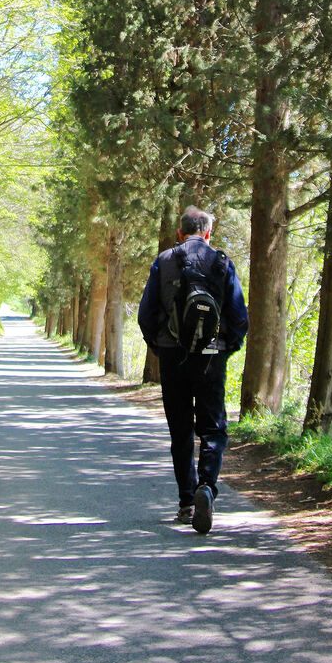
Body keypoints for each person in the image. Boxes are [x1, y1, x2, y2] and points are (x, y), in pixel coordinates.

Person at [137, 205, 248, 534]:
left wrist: (160, 347)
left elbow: (146, 314)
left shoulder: (164, 261)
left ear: (179, 233)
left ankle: (187, 502)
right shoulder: (221, 262)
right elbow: (239, 317)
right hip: (211, 356)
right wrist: (225, 349)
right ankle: (207, 489)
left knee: (181, 431)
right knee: (213, 429)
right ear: (208, 233)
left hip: (173, 356)